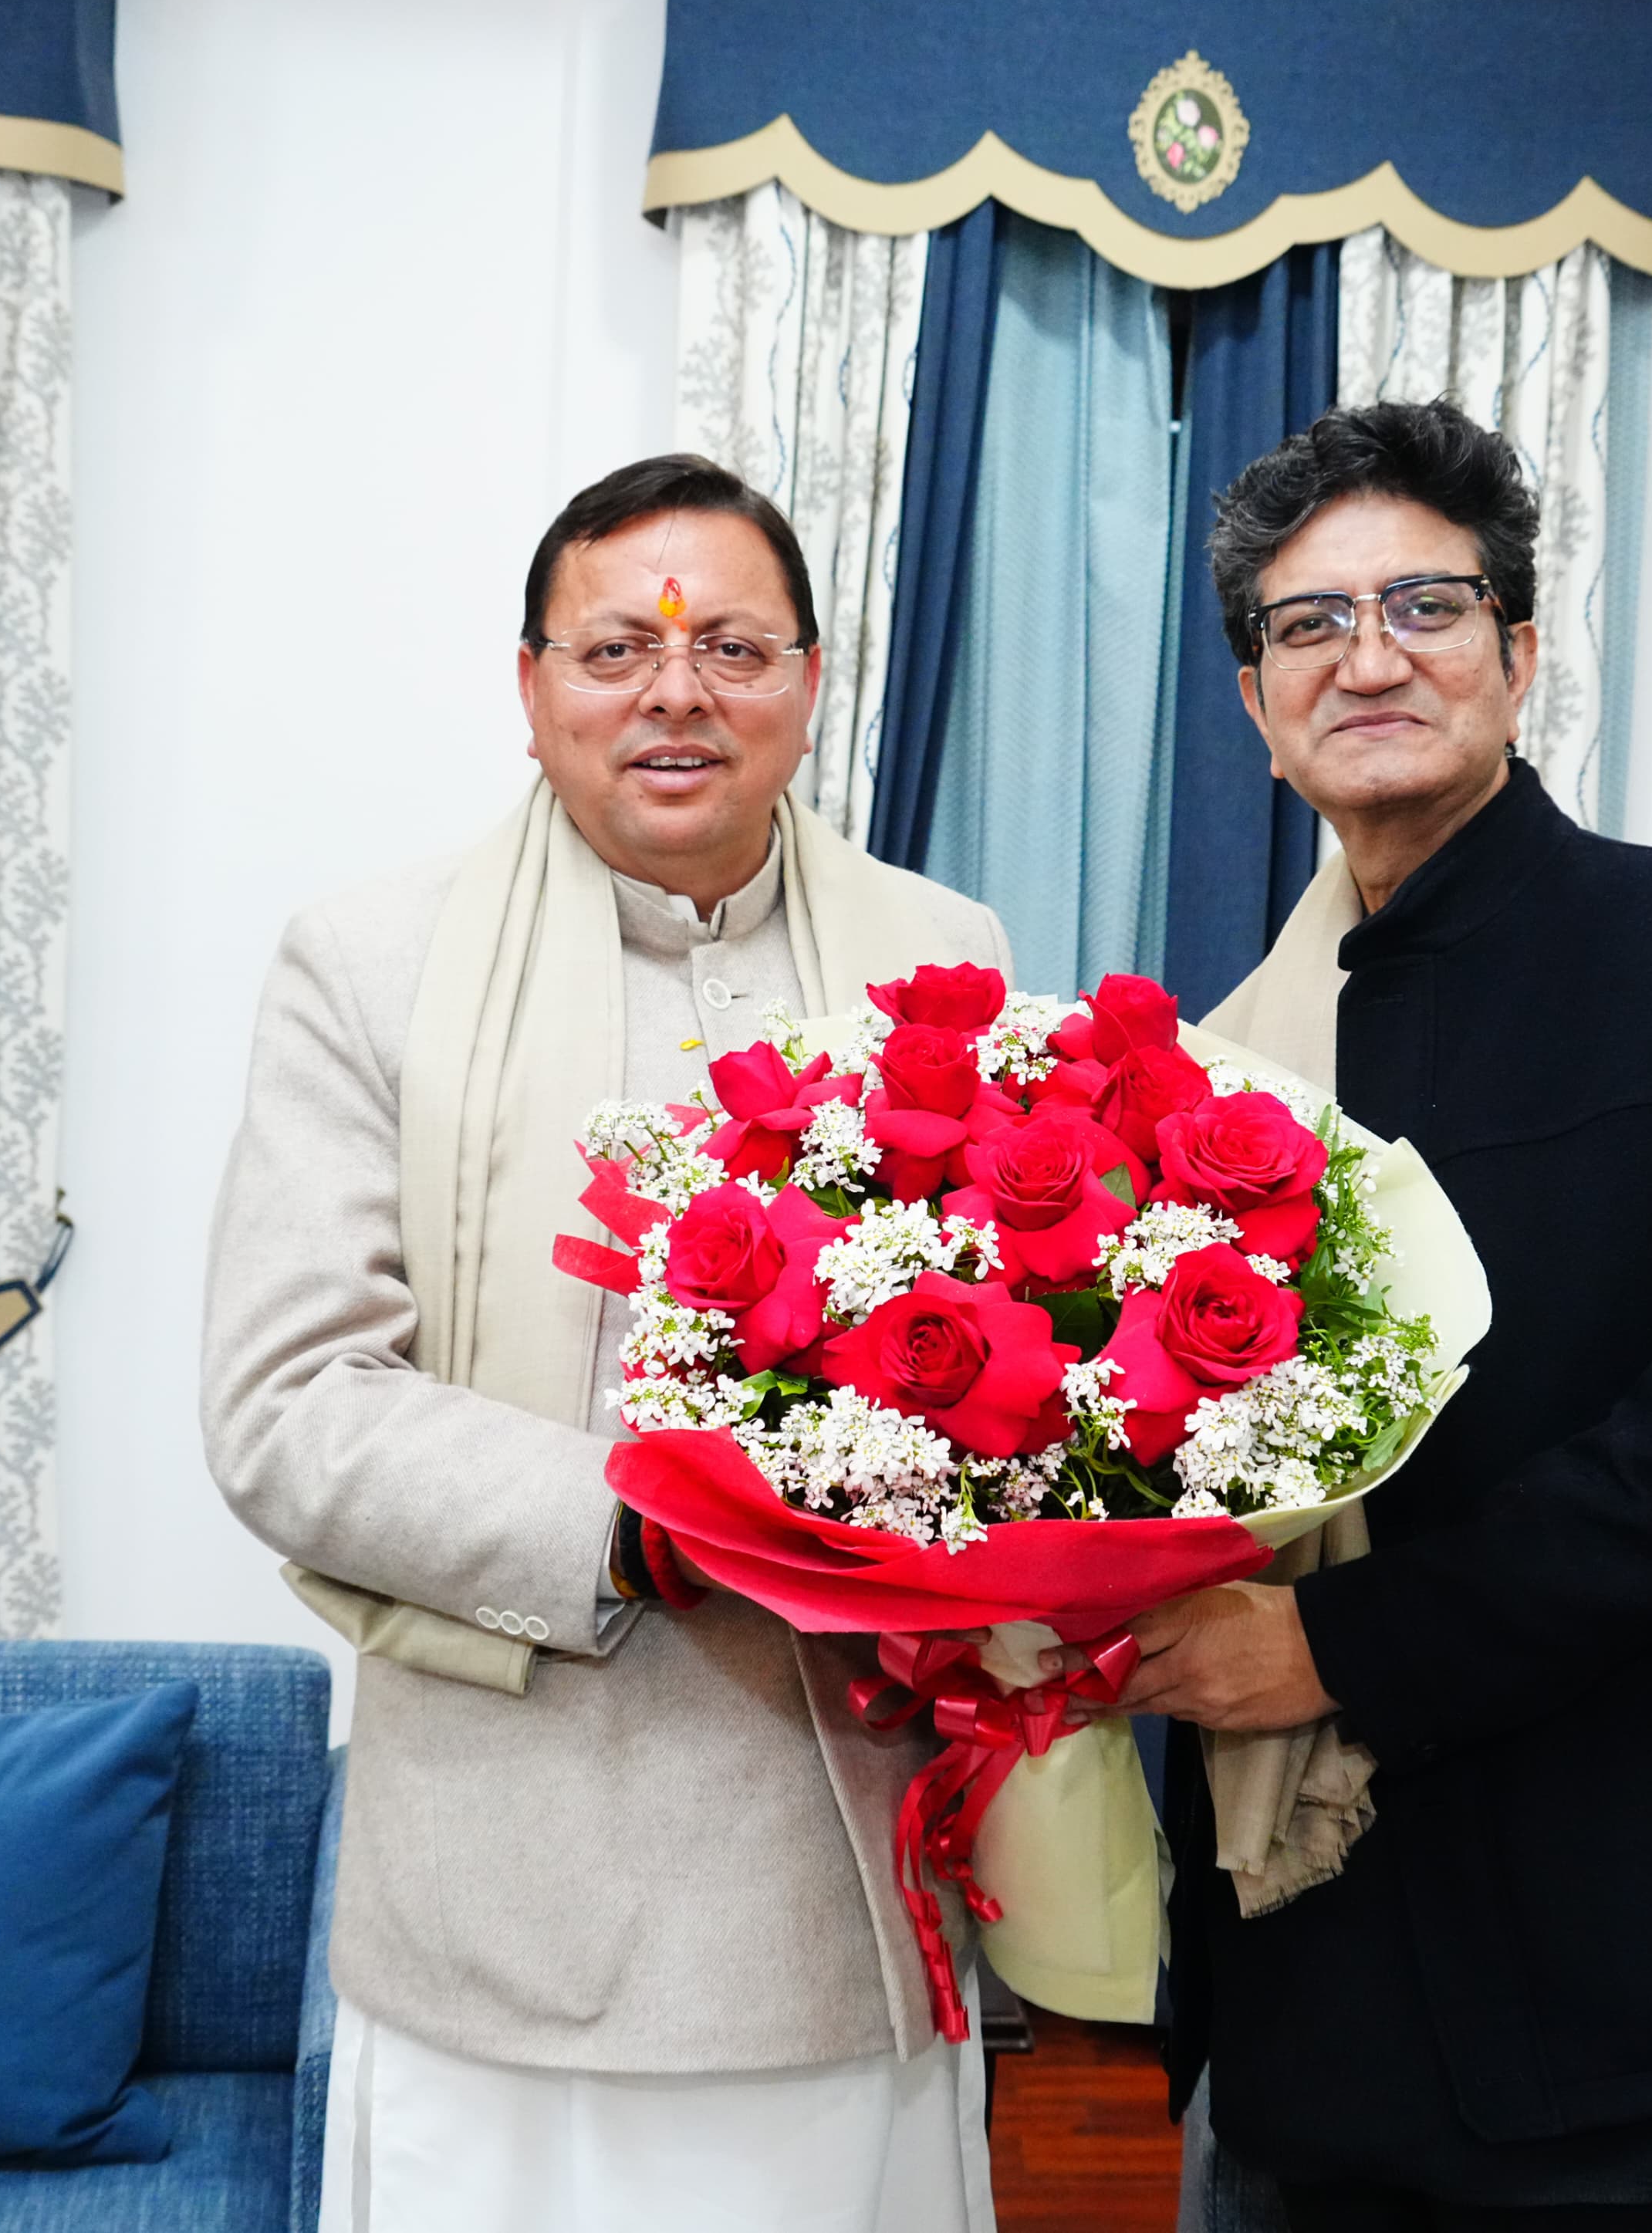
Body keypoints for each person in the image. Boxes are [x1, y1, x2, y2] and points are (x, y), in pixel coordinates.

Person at [1110, 402, 1652, 2231]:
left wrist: (1337, 1647)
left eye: (1424, 604)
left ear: (1519, 653)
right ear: (1255, 703)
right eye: (1309, 624)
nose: (1368, 658)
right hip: (1321, 1986)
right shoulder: (1221, 1065)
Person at [200, 455, 1011, 2232]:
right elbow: (289, 1405)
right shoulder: (371, 959)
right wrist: (656, 1529)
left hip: (832, 1875)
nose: (675, 691)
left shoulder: (944, 956)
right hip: (504, 1880)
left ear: (810, 682)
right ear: (530, 687)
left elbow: (1021, 1342)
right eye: (617, 650)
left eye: (733, 647)